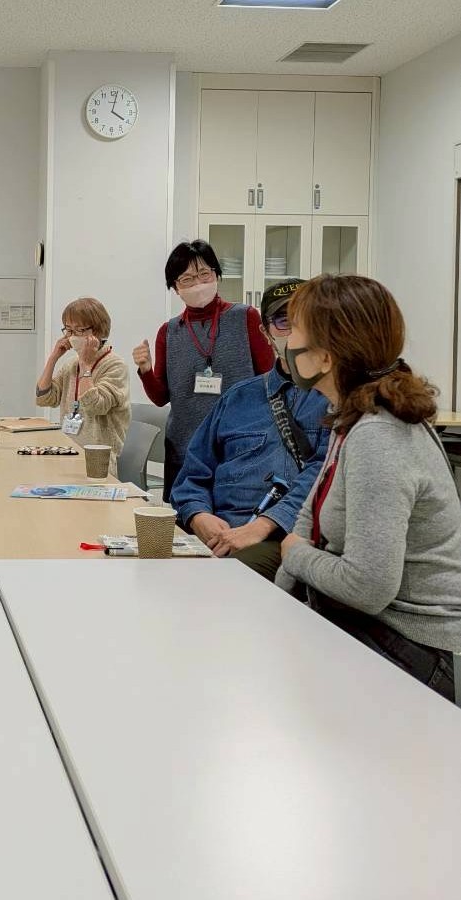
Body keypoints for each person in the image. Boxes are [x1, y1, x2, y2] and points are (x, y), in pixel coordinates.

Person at [275, 275, 461, 701]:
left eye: (294, 329)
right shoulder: (352, 416)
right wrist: (279, 597)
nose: (286, 341)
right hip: (368, 627)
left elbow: (367, 586)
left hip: (409, 650)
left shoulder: (378, 435)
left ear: (325, 356)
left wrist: (294, 556)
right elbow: (307, 522)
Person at [170, 280, 330, 581]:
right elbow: (193, 472)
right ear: (265, 333)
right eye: (284, 321)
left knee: (224, 582)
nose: (296, 332)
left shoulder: (332, 399)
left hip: (281, 535)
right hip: (219, 532)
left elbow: (323, 477)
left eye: (307, 320)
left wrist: (264, 525)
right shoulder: (237, 398)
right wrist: (198, 515)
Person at [133, 240, 275, 499]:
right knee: (184, 518)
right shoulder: (169, 332)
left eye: (204, 274)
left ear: (216, 275)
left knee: (233, 517)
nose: (197, 283)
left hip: (239, 446)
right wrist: (145, 370)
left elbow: (270, 380)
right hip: (184, 448)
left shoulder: (246, 318)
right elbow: (161, 397)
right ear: (175, 288)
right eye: (186, 279)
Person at [35, 297, 130, 477]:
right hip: (68, 452)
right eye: (68, 330)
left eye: (79, 330)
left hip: (98, 459)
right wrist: (53, 358)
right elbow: (44, 398)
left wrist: (86, 365)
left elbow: (96, 406)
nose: (72, 336)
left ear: (98, 331)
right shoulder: (72, 365)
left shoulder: (115, 365)